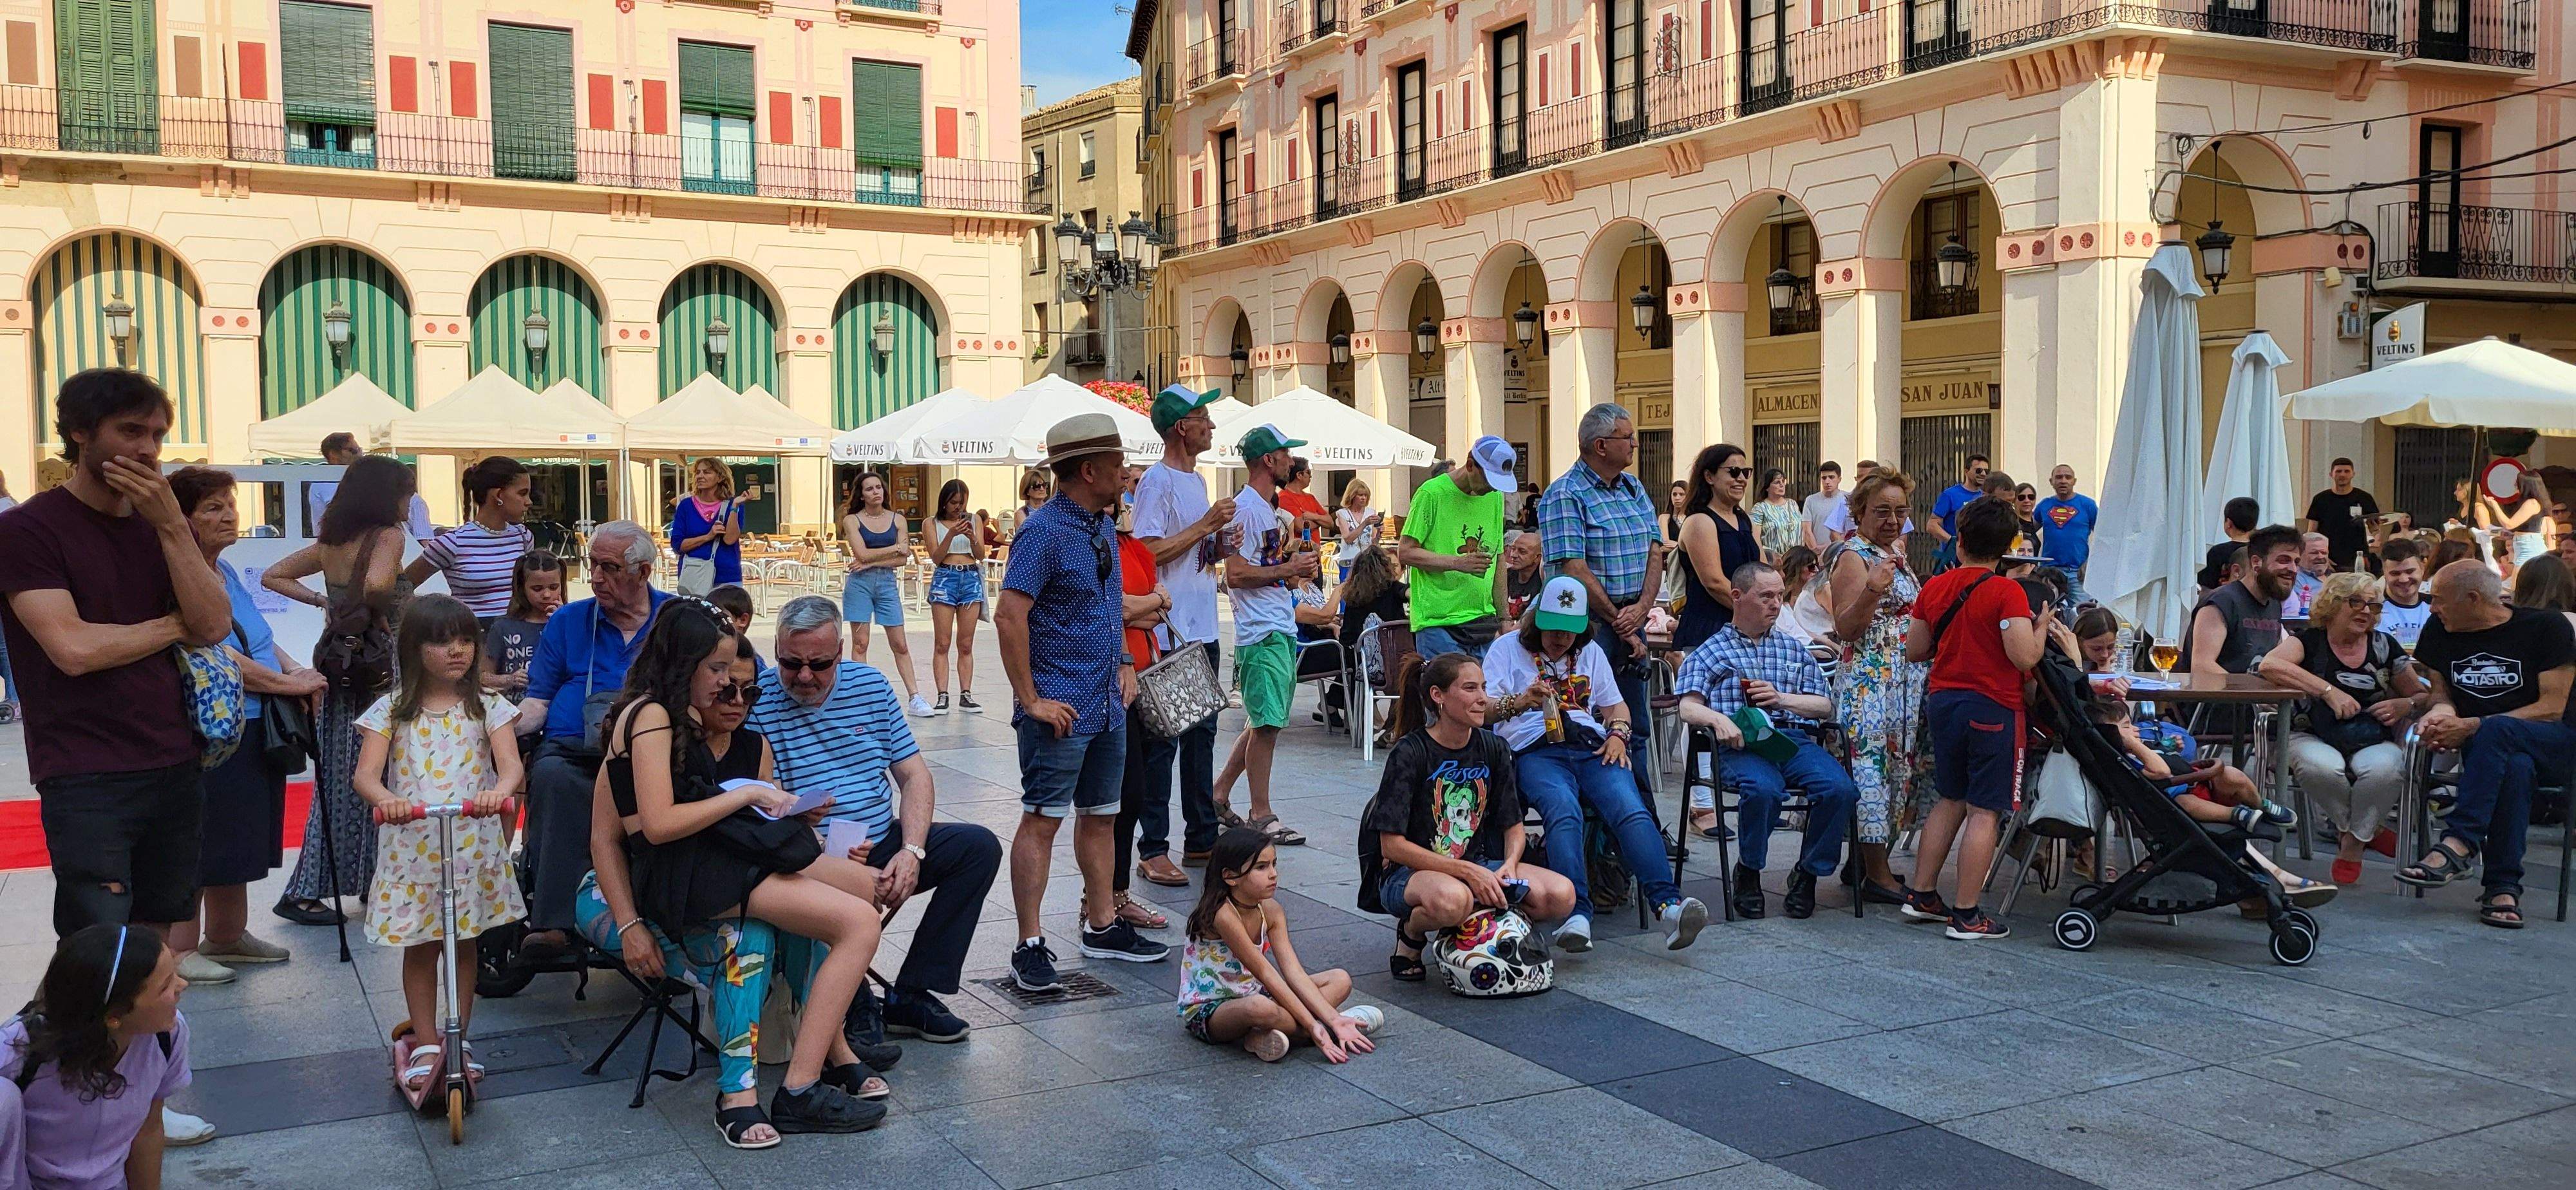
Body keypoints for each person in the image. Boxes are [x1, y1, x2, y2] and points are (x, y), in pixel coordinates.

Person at [606, 598, 892, 1132]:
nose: (725, 684)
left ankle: (832, 1045)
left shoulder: (665, 714)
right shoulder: (651, 716)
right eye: (716, 670)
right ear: (684, 663)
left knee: (862, 885)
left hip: (713, 859)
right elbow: (658, 824)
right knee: (859, 924)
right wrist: (749, 795)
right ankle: (802, 1086)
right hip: (689, 874)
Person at [0, 370, 232, 943]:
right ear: (81, 432)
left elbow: (212, 626)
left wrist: (174, 526)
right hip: (84, 767)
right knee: (98, 944)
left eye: (157, 435)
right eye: (131, 431)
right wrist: (173, 626)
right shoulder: (27, 529)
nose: (149, 450)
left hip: (174, 756)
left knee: (158, 941)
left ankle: (153, 1010)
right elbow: (73, 649)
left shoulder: (163, 527)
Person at [752, 596, 1003, 1046]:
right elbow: (756, 798)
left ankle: (913, 993)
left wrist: (911, 851)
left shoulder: (870, 685)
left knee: (977, 848)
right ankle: (854, 1002)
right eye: (791, 663)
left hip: (878, 838)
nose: (804, 676)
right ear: (775, 650)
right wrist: (799, 821)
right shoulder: (757, 700)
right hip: (809, 855)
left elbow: (914, 776)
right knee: (819, 884)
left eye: (819, 664)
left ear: (840, 653)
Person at [581, 634, 797, 1149]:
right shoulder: (651, 736)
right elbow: (604, 841)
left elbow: (754, 842)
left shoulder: (754, 748)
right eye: (724, 686)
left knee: (783, 927)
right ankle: (742, 1089)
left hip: (710, 895)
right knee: (748, 941)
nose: (736, 700)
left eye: (749, 692)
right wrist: (630, 926)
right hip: (628, 894)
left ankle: (800, 1072)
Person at [999, 413, 1168, 992]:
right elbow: (1009, 615)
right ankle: (1029, 943)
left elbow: (1107, 602)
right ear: (1090, 470)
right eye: (1119, 464)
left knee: (1102, 816)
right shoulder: (1043, 532)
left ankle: (1102, 924)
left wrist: (1123, 659)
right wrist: (1031, 700)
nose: (1127, 472)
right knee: (1043, 818)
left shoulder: (1100, 526)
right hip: (1061, 706)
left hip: (1105, 701)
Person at [351, 594, 526, 1098]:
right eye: (442, 641)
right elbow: (366, 775)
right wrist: (388, 800)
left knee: (464, 940)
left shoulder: (488, 706)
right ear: (413, 648)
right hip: (415, 848)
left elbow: (511, 766)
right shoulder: (392, 710)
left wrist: (498, 791)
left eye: (466, 640)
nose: (458, 651)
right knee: (422, 943)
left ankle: (458, 1037)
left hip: (470, 846)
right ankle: (428, 1041)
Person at [1481, 576, 1710, 953]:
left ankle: (1668, 906)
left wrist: (1618, 733)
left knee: (1631, 808)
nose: (1561, 638)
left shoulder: (1589, 651)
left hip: (1590, 744)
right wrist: (1520, 702)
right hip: (1534, 749)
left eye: (1569, 630)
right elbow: (1483, 710)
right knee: (1563, 809)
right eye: (1553, 628)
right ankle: (1576, 913)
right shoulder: (1507, 648)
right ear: (1537, 621)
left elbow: (1617, 707)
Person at [166, 468, 321, 987]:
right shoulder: (179, 575)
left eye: (229, 504)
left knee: (238, 835)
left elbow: (258, 638)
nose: (229, 515)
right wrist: (286, 685)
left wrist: (295, 671)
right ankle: (179, 949)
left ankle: (227, 935)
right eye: (212, 508)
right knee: (202, 837)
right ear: (180, 519)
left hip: (253, 722)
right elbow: (216, 653)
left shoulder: (225, 570)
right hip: (212, 727)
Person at [264, 454, 419, 927]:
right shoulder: (388, 536)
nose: (409, 504)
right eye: (407, 494)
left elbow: (274, 575)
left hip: (340, 662)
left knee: (337, 777)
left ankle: (339, 881)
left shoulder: (332, 541)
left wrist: (326, 602)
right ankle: (345, 883)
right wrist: (376, 608)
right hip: (381, 662)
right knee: (384, 773)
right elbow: (378, 583)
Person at [1361, 651, 1577, 980]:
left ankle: (1474, 926)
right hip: (1411, 874)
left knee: (1560, 895)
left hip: (1476, 865)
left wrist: (1509, 865)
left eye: (1484, 688)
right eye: (1470, 688)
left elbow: (1514, 827)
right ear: (1438, 696)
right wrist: (1466, 872)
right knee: (1454, 900)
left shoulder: (1494, 748)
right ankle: (1412, 932)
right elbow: (1392, 847)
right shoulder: (1410, 752)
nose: (1482, 699)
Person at [513, 520, 672, 956]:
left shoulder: (674, 619)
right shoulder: (569, 620)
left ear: (643, 572)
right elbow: (538, 700)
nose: (596, 577)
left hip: (650, 753)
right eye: (592, 564)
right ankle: (555, 923)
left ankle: (661, 912)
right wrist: (496, 728)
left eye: (609, 567)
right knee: (552, 777)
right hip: (573, 749)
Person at [2394, 561, 2573, 929]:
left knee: (2497, 731)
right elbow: (2441, 694)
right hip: (2490, 753)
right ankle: (2502, 889)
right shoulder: (2440, 630)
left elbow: (2552, 708)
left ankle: (2460, 840)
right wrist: (2441, 714)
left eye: (2439, 599)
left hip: (2552, 741)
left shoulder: (2546, 627)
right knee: (2516, 767)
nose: (2432, 608)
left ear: (2473, 599)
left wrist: (2473, 725)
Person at [1674, 562, 1858, 920]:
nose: (1776, 604)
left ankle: (1807, 873)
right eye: (1766, 596)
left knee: (1840, 789)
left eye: (1778, 595)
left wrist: (1781, 699)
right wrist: (1720, 721)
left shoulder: (1792, 648)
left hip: (1790, 738)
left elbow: (1824, 706)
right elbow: (1687, 707)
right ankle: (1749, 870)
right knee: (1763, 789)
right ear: (1738, 597)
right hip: (1739, 744)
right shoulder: (1712, 651)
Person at [1904, 496, 2050, 940]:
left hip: (1944, 702)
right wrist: (2042, 627)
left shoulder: (1934, 587)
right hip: (1993, 706)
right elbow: (2023, 656)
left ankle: (1922, 894)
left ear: (1961, 540)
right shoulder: (2008, 591)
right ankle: (1967, 914)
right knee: (1985, 810)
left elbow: (1915, 650)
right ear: (2007, 548)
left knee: (1950, 798)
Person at [2261, 572, 2425, 886]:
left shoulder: (2384, 646)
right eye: (2356, 602)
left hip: (2370, 736)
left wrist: (2405, 705)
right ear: (2333, 604)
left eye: (2373, 606)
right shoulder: (2308, 641)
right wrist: (2328, 691)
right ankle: (2367, 831)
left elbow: (2420, 695)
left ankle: (2351, 841)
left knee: (2387, 769)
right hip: (2309, 733)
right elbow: (2271, 665)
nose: (2366, 611)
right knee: (2320, 767)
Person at [1130, 385, 1234, 869]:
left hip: (1202, 626)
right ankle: (1153, 847)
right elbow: (1147, 552)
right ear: (1180, 428)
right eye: (1203, 419)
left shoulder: (1197, 481)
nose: (1211, 427)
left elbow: (1191, 553)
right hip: (1170, 631)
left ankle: (1201, 838)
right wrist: (1205, 526)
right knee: (1163, 742)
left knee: (1202, 738)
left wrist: (1218, 545)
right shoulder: (1157, 482)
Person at [2, 925, 193, 1188]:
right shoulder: (21, 1048)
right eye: (165, 987)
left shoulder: (166, 1035)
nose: (183, 985)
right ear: (114, 1017)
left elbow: (148, 1131)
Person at [1537, 403, 1667, 776]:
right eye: (1628, 437)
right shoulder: (1566, 493)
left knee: (1635, 722)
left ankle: (1640, 805)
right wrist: (1619, 621)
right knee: (1591, 719)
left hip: (1632, 617)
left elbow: (1654, 548)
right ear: (1600, 445)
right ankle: (1603, 804)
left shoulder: (1633, 487)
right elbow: (1573, 567)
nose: (1635, 444)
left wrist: (1641, 609)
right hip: (1588, 623)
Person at [1177, 827, 1381, 1063]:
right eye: (1261, 867)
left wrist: (1332, 1019)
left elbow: (1294, 972)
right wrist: (1313, 1025)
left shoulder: (1272, 910)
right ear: (1231, 877)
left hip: (1255, 992)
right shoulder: (1223, 914)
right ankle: (1315, 1031)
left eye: (1274, 864)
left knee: (1340, 979)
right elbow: (1264, 972)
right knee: (1259, 1008)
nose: (1273, 874)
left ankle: (1266, 1035)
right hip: (1213, 1009)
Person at [1824, 466, 1927, 900]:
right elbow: (1846, 628)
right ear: (1860, 512)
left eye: (1900, 512)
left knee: (1894, 772)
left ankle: (1865, 865)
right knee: (1871, 773)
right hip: (1870, 684)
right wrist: (1871, 591)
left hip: (1900, 684)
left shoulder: (1891, 554)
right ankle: (1878, 876)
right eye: (1882, 511)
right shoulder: (1853, 556)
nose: (1892, 520)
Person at [1217, 424, 1321, 847]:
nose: (1291, 461)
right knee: (1266, 726)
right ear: (1268, 460)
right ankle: (1261, 813)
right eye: (1286, 454)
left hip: (1275, 625)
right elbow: (1236, 574)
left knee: (1264, 720)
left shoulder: (1263, 508)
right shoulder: (1245, 509)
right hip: (1261, 630)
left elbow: (1261, 566)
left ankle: (1219, 794)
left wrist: (1291, 564)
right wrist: (1289, 568)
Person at [1112, 509, 1186, 918]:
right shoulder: (1100, 544)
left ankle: (1117, 894)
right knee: (1117, 796)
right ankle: (1107, 898)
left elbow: (1154, 614)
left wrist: (1145, 607)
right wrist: (1153, 601)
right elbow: (1120, 609)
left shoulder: (1136, 548)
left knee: (1137, 787)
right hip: (1113, 679)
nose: (1125, 503)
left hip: (1145, 676)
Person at [1400, 437, 1515, 661]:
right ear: (1470, 465)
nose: (1492, 488)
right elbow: (1405, 552)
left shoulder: (1494, 497)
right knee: (1449, 684)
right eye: (1489, 481)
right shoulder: (1431, 493)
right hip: (1439, 623)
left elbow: (1498, 558)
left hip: (1483, 620)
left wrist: (1504, 618)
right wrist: (1458, 563)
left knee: (1486, 685)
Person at [840, 471, 929, 715]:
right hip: (859, 584)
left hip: (886, 584)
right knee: (860, 642)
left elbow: (903, 559)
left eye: (878, 487)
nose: (875, 492)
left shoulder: (898, 519)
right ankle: (859, 697)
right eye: (869, 489)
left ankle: (915, 696)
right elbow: (862, 553)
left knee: (900, 643)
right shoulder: (852, 520)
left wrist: (872, 561)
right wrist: (896, 548)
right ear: (861, 495)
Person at [407, 455, 533, 622]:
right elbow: (403, 587)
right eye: (522, 494)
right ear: (498, 495)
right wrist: (433, 616)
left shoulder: (523, 537)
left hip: (516, 633)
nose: (529, 502)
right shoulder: (453, 542)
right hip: (472, 632)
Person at [1673, 443, 1760, 654]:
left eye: (1746, 472)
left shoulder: (1746, 521)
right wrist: (1755, 610)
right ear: (1709, 477)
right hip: (1711, 629)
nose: (1741, 479)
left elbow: (1763, 571)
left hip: (1747, 626)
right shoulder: (1699, 521)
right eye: (1734, 472)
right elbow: (1714, 582)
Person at [2186, 525, 2302, 676]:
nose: (2293, 569)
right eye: (2284, 560)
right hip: (2217, 691)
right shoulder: (2221, 603)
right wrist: (2250, 690)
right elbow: (2203, 667)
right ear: (2256, 562)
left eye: (2296, 562)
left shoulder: (2274, 604)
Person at [923, 479, 987, 713]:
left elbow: (980, 554)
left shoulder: (975, 520)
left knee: (966, 643)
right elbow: (936, 557)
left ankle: (966, 694)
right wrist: (950, 535)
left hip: (970, 576)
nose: (958, 507)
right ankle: (942, 694)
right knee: (942, 642)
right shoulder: (931, 523)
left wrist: (972, 537)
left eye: (962, 503)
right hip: (945, 577)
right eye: (953, 503)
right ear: (944, 502)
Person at [306, 431, 434, 541]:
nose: (360, 455)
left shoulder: (404, 496)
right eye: (353, 451)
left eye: (360, 450)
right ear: (334, 454)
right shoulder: (320, 486)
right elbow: (320, 530)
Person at [483, 551, 567, 699]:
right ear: (522, 588)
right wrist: (508, 680)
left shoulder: (572, 624)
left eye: (554, 587)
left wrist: (563, 622)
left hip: (557, 704)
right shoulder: (503, 627)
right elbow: (482, 676)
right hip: (515, 705)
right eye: (537, 589)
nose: (547, 595)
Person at [671, 457, 752, 593]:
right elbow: (677, 546)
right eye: (698, 472)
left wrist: (734, 508)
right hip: (694, 579)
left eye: (707, 472)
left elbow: (730, 539)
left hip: (727, 578)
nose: (700, 476)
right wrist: (708, 537)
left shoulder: (733, 504)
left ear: (720, 477)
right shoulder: (686, 506)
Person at [2032, 464, 2098, 606]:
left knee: (2083, 612)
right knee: (2048, 610)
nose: (2063, 481)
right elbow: (2028, 532)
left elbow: (2102, 538)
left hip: (2078, 573)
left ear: (2074, 481)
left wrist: (2089, 564)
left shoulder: (2088, 505)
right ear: (2051, 481)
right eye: (2059, 477)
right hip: (2049, 572)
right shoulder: (2044, 505)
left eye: (2068, 477)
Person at [2304, 457, 2380, 571]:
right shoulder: (2321, 499)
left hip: (2357, 559)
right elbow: (2311, 532)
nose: (2343, 475)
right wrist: (2321, 556)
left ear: (2353, 474)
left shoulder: (2364, 498)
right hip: (2328, 559)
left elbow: (2375, 528)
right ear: (2331, 474)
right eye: (2338, 471)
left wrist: (2375, 530)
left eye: (2347, 471)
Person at [2477, 469, 2556, 568]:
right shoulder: (2528, 503)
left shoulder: (2532, 503)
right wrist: (2490, 532)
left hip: (2529, 548)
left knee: (2518, 577)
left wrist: (2495, 505)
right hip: (2522, 547)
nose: (2515, 485)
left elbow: (2509, 524)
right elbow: (2513, 530)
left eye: (2518, 482)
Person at [1926, 454, 1991, 572]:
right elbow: (1932, 525)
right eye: (1978, 470)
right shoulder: (1950, 495)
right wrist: (1953, 541)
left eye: (1987, 471)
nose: (1983, 474)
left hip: (1978, 559)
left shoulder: (1986, 497)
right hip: (1953, 559)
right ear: (1966, 471)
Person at [2376, 537, 2433, 648]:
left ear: (2422, 569)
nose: (2404, 579)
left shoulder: (2437, 607)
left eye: (2410, 571)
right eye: (2395, 574)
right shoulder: (2373, 609)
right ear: (2384, 574)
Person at [2200, 496, 2262, 590]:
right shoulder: (2261, 551)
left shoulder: (2218, 552)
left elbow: (2205, 587)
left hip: (2222, 598)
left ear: (2229, 523)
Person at [1275, 457, 1333, 546]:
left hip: (1315, 551)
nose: (1311, 476)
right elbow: (1300, 526)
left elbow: (1330, 522)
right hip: (1299, 552)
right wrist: (1320, 522)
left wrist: (1313, 516)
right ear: (1299, 475)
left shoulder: (1310, 497)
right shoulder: (1284, 497)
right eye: (1308, 472)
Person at [1333, 480, 1381, 583]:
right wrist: (1365, 523)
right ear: (1352, 496)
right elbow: (1348, 539)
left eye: (1365, 495)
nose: (1363, 498)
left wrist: (1379, 533)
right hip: (1349, 562)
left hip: (1366, 561)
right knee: (1347, 590)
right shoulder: (1343, 514)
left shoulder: (1371, 512)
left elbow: (1374, 541)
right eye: (1360, 495)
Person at [1750, 468, 1803, 560]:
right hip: (1774, 561)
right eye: (1777, 482)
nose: (1782, 485)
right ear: (1767, 487)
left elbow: (1802, 531)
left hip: (1797, 560)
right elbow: (1755, 539)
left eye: (1783, 481)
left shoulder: (1792, 504)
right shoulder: (1760, 508)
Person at [2283, 533, 2331, 619]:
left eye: (2324, 553)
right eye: (2314, 553)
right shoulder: (2295, 579)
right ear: (2300, 555)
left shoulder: (2335, 577)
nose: (2320, 557)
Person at [1801, 461, 1844, 551]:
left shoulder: (1848, 499)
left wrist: (1828, 548)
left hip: (1841, 551)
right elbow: (1807, 530)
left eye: (1831, 477)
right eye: (1824, 478)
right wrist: (1815, 550)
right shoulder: (1811, 500)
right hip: (1816, 553)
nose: (1827, 481)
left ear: (1839, 479)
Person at [1502, 529, 1542, 616]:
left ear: (1537, 557)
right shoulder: (1504, 576)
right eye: (1513, 549)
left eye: (1522, 552)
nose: (1513, 555)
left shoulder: (1543, 581)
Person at [1660, 478, 1689, 546]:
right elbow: (1664, 545)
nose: (1677, 498)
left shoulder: (1693, 517)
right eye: (1674, 494)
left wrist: (1677, 545)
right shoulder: (1665, 518)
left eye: (1682, 494)